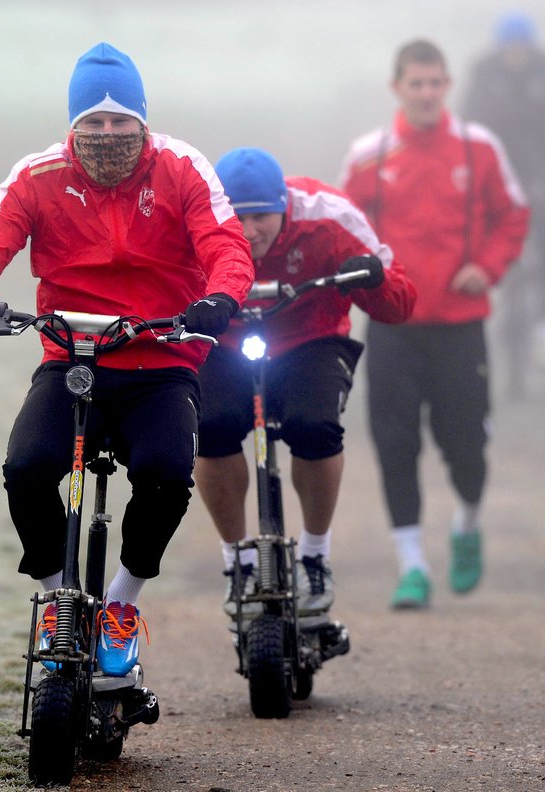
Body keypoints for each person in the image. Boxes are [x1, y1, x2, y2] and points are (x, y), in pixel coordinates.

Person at [0, 43, 254, 675]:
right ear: (72, 124)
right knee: (26, 467)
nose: (106, 134)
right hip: (74, 356)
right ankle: (59, 595)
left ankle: (120, 602)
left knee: (168, 472)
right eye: (93, 122)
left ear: (143, 120)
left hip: (160, 357)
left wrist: (220, 297)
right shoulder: (37, 175)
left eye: (120, 123)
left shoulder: (182, 167)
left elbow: (226, 243)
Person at [340, 39, 529, 609]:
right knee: (396, 445)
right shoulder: (368, 156)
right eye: (415, 83)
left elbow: (513, 215)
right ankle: (412, 564)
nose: (426, 93)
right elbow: (343, 232)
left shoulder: (478, 149)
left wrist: (487, 267)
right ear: (396, 87)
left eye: (435, 83)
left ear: (447, 86)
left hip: (460, 325)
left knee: (467, 445)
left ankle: (467, 524)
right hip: (394, 326)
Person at [196, 147, 416, 623]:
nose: (250, 231)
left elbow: (399, 304)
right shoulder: (197, 217)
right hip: (229, 341)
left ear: (286, 208)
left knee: (314, 427)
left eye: (262, 218)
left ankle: (315, 556)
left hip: (311, 339)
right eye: (239, 218)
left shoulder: (331, 217)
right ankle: (238, 561)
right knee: (210, 426)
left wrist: (373, 279)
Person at [462, 10, 545, 377]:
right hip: (497, 174)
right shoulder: (484, 73)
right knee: (483, 245)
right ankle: (488, 314)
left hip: (542, 173)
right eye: (510, 48)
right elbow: (470, 123)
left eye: (521, 48)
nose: (516, 55)